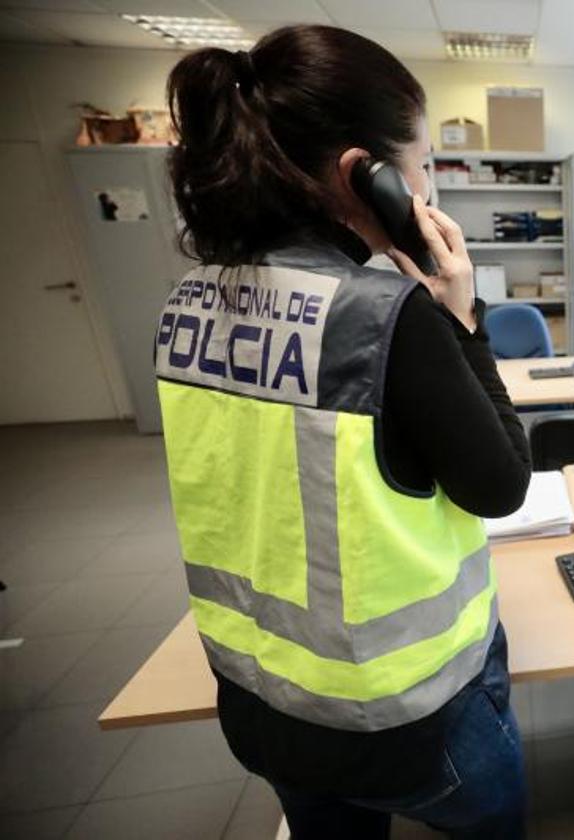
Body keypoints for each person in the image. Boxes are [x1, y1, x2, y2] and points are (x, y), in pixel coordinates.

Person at [155, 25, 531, 839]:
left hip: (265, 702)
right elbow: (501, 483)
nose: (431, 192)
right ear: (368, 174)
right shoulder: (385, 316)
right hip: (407, 718)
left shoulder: (186, 303)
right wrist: (461, 319)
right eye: (424, 165)